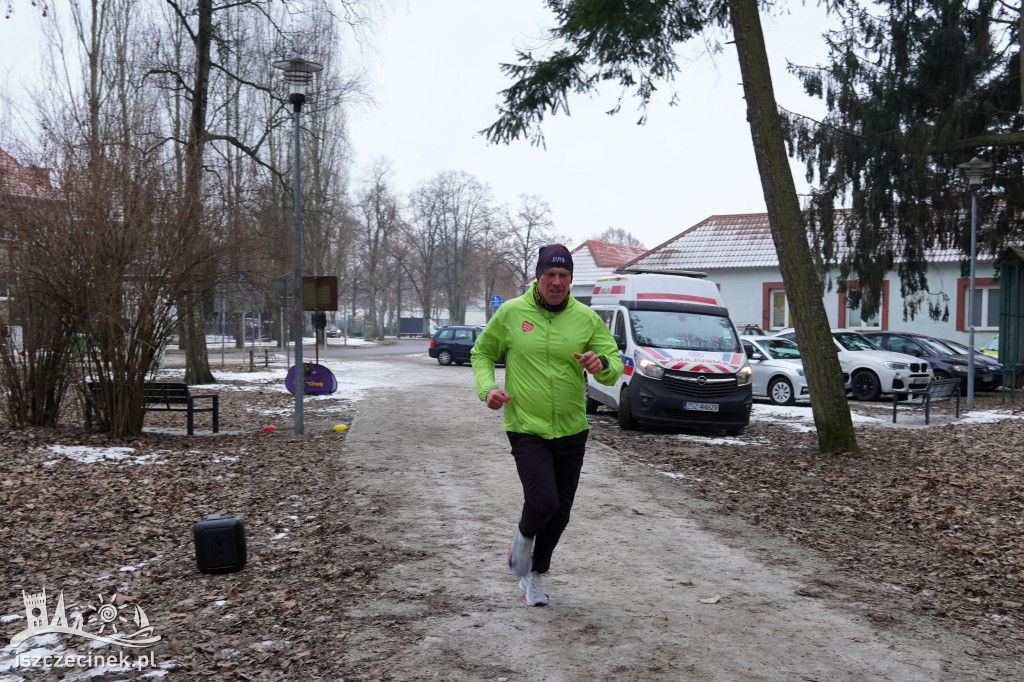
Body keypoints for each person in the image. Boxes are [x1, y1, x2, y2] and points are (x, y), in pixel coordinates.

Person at [471, 244, 624, 606]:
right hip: (526, 425)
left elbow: (615, 360)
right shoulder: (511, 313)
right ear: (537, 278)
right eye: (550, 275)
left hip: (572, 428)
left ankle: (535, 576)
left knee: (561, 512)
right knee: (543, 502)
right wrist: (488, 388)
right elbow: (482, 351)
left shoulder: (586, 318)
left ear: (571, 280)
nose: (556, 282)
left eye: (564, 276)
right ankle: (522, 538)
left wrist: (601, 362)